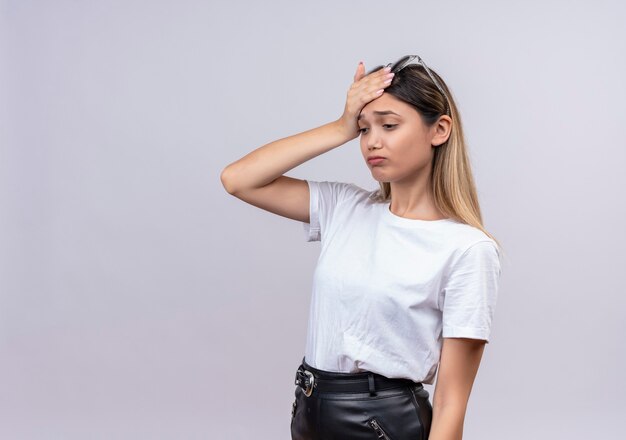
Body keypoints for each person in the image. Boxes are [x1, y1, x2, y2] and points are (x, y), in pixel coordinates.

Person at [220, 54, 503, 440]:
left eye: (389, 125)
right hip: (311, 411)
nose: (372, 141)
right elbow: (239, 179)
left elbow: (452, 403)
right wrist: (339, 128)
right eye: (363, 128)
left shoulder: (468, 249)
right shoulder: (346, 208)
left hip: (384, 425)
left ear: (439, 130)